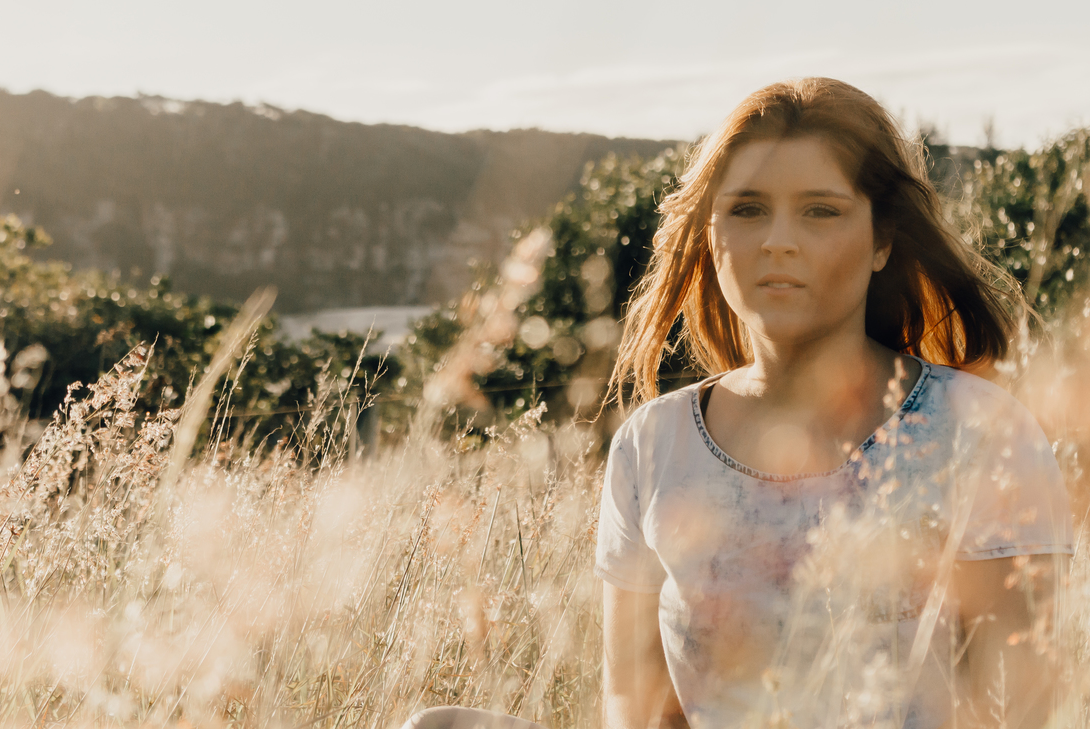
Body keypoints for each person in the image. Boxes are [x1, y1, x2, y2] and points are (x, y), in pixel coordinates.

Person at [403, 78, 1074, 729]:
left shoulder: (978, 429)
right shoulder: (654, 442)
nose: (777, 239)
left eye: (820, 210)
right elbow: (637, 711)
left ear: (882, 240)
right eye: (747, 208)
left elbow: (1019, 708)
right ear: (710, 232)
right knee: (434, 727)